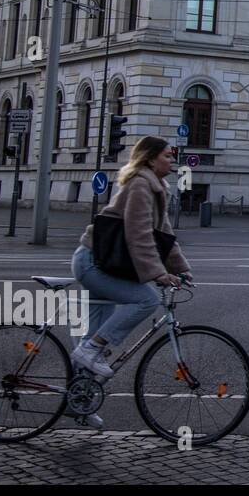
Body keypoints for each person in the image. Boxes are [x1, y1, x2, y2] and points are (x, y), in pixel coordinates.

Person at [69, 136, 193, 409]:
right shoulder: (140, 184)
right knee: (145, 300)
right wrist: (158, 273)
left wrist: (181, 268)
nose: (172, 160)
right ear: (150, 159)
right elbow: (139, 235)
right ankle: (90, 351)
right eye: (167, 156)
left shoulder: (156, 185)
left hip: (104, 263)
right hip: (93, 263)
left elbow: (163, 233)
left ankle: (77, 402)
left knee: (92, 338)